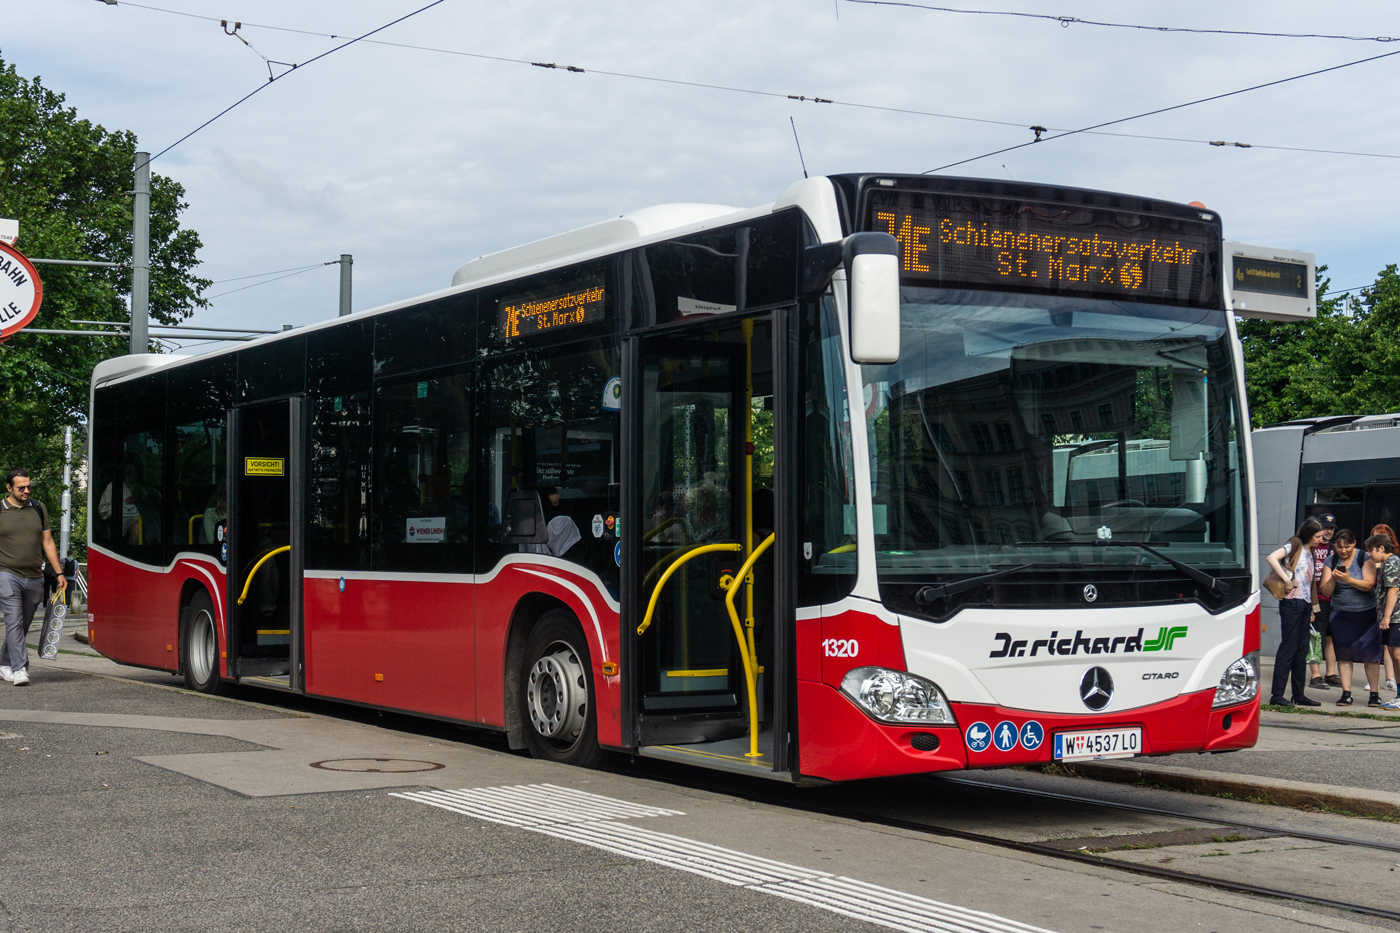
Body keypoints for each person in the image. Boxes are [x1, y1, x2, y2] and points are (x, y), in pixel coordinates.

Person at [0, 470, 66, 687]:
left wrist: (59, 573)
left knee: (23, 624)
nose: (26, 491)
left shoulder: (38, 508)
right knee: (14, 621)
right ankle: (20, 669)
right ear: (9, 488)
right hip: (7, 573)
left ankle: (4, 663)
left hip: (35, 576)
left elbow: (47, 542)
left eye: (29, 486)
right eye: (21, 487)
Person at [1266, 517, 1325, 706]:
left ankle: (1298, 694)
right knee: (1288, 648)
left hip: (1304, 603)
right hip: (1292, 602)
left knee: (1301, 649)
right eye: (1317, 536)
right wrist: (1287, 580)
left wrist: (1312, 608)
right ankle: (1277, 695)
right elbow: (1272, 557)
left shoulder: (1310, 551)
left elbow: (1310, 582)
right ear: (1308, 534)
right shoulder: (1296, 544)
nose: (1320, 540)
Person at [1320, 530, 1380, 706]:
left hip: (1366, 612)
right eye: (1339, 547)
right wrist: (1333, 578)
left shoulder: (1364, 557)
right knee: (1344, 654)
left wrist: (1348, 579)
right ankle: (1346, 693)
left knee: (1371, 655)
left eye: (1347, 547)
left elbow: (1369, 584)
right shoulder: (1330, 560)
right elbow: (1325, 591)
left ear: (1354, 544)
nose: (1343, 551)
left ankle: (1374, 694)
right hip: (1341, 612)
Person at [1366, 533, 1400, 710]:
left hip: (1396, 617)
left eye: (1371, 550)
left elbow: (1393, 590)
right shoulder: (1386, 564)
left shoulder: (1392, 563)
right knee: (1394, 654)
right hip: (1392, 617)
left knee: (1397, 654)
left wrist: (1387, 617)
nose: (1369, 554)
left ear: (1381, 548)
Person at [1308, 515, 1340, 688]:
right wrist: (1312, 604)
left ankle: (1330, 674)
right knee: (1315, 637)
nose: (1329, 531)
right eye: (1326, 527)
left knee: (1331, 637)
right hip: (1316, 599)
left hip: (1332, 600)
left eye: (1332, 528)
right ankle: (1315, 675)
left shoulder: (1334, 549)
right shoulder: (1311, 546)